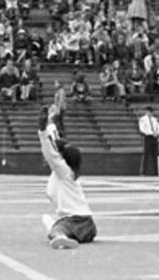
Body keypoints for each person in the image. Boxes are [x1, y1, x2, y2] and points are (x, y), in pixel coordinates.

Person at [38, 106, 97, 249]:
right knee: (47, 219)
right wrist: (51, 122)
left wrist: (42, 130)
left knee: (54, 231)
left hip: (73, 221)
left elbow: (51, 152)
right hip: (89, 225)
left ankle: (61, 238)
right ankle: (64, 235)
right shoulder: (70, 172)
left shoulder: (63, 171)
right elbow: (56, 143)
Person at [138, 106, 159, 176]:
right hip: (148, 137)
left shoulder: (154, 119)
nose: (150, 113)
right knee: (146, 154)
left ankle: (155, 172)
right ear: (146, 111)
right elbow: (142, 129)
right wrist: (151, 133)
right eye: (149, 111)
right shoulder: (142, 119)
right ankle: (143, 171)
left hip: (154, 137)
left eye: (151, 112)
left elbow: (158, 127)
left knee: (155, 154)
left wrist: (157, 133)